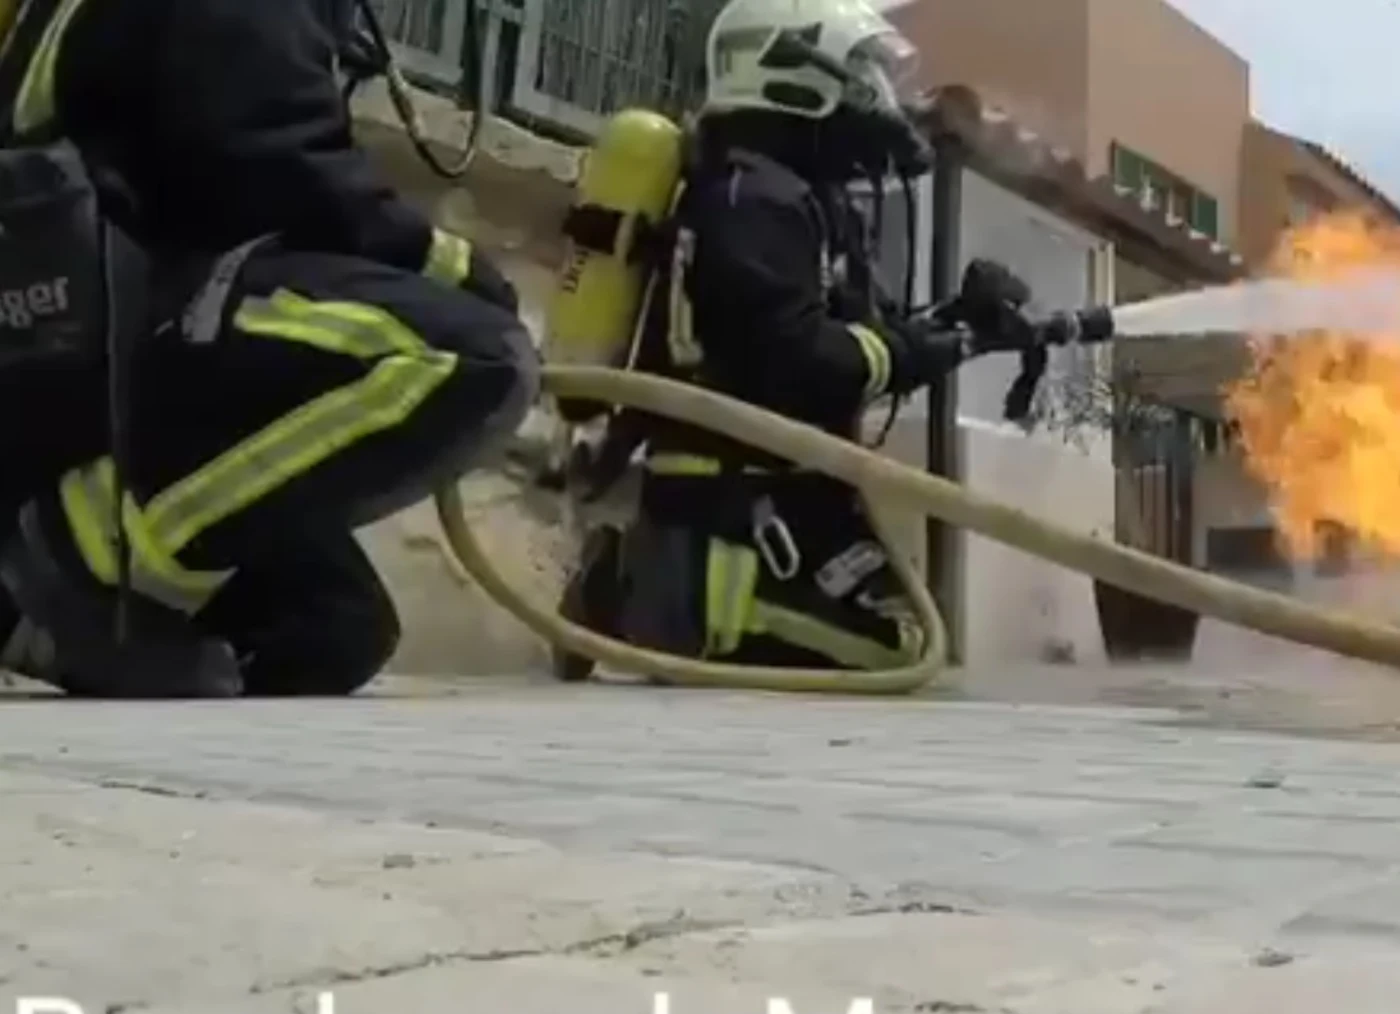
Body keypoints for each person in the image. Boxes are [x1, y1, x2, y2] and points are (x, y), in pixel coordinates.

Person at [0, 0, 539, 698]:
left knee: (332, 627)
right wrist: (451, 265)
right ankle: (87, 560)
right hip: (92, 342)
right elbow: (274, 156)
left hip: (86, 351)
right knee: (474, 355)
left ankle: (25, 594)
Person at [556, 0, 1036, 676]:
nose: (878, 93)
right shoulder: (752, 199)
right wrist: (933, 345)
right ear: (789, 72)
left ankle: (634, 589)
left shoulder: (793, 195)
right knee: (900, 649)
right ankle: (639, 603)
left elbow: (849, 338)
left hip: (786, 491)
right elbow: (801, 360)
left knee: (912, 639)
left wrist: (956, 321)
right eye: (861, 69)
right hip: (733, 503)